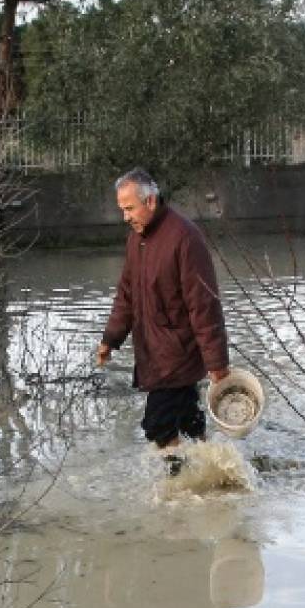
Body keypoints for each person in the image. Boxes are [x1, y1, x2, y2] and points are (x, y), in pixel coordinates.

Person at [96, 168, 230, 461]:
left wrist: (217, 364)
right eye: (122, 210)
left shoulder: (185, 238)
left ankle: (177, 485)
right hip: (153, 353)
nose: (125, 217)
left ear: (151, 201)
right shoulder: (135, 240)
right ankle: (213, 476)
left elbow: (204, 305)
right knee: (189, 424)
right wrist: (110, 339)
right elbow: (126, 296)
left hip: (177, 357)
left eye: (129, 208)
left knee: (158, 425)